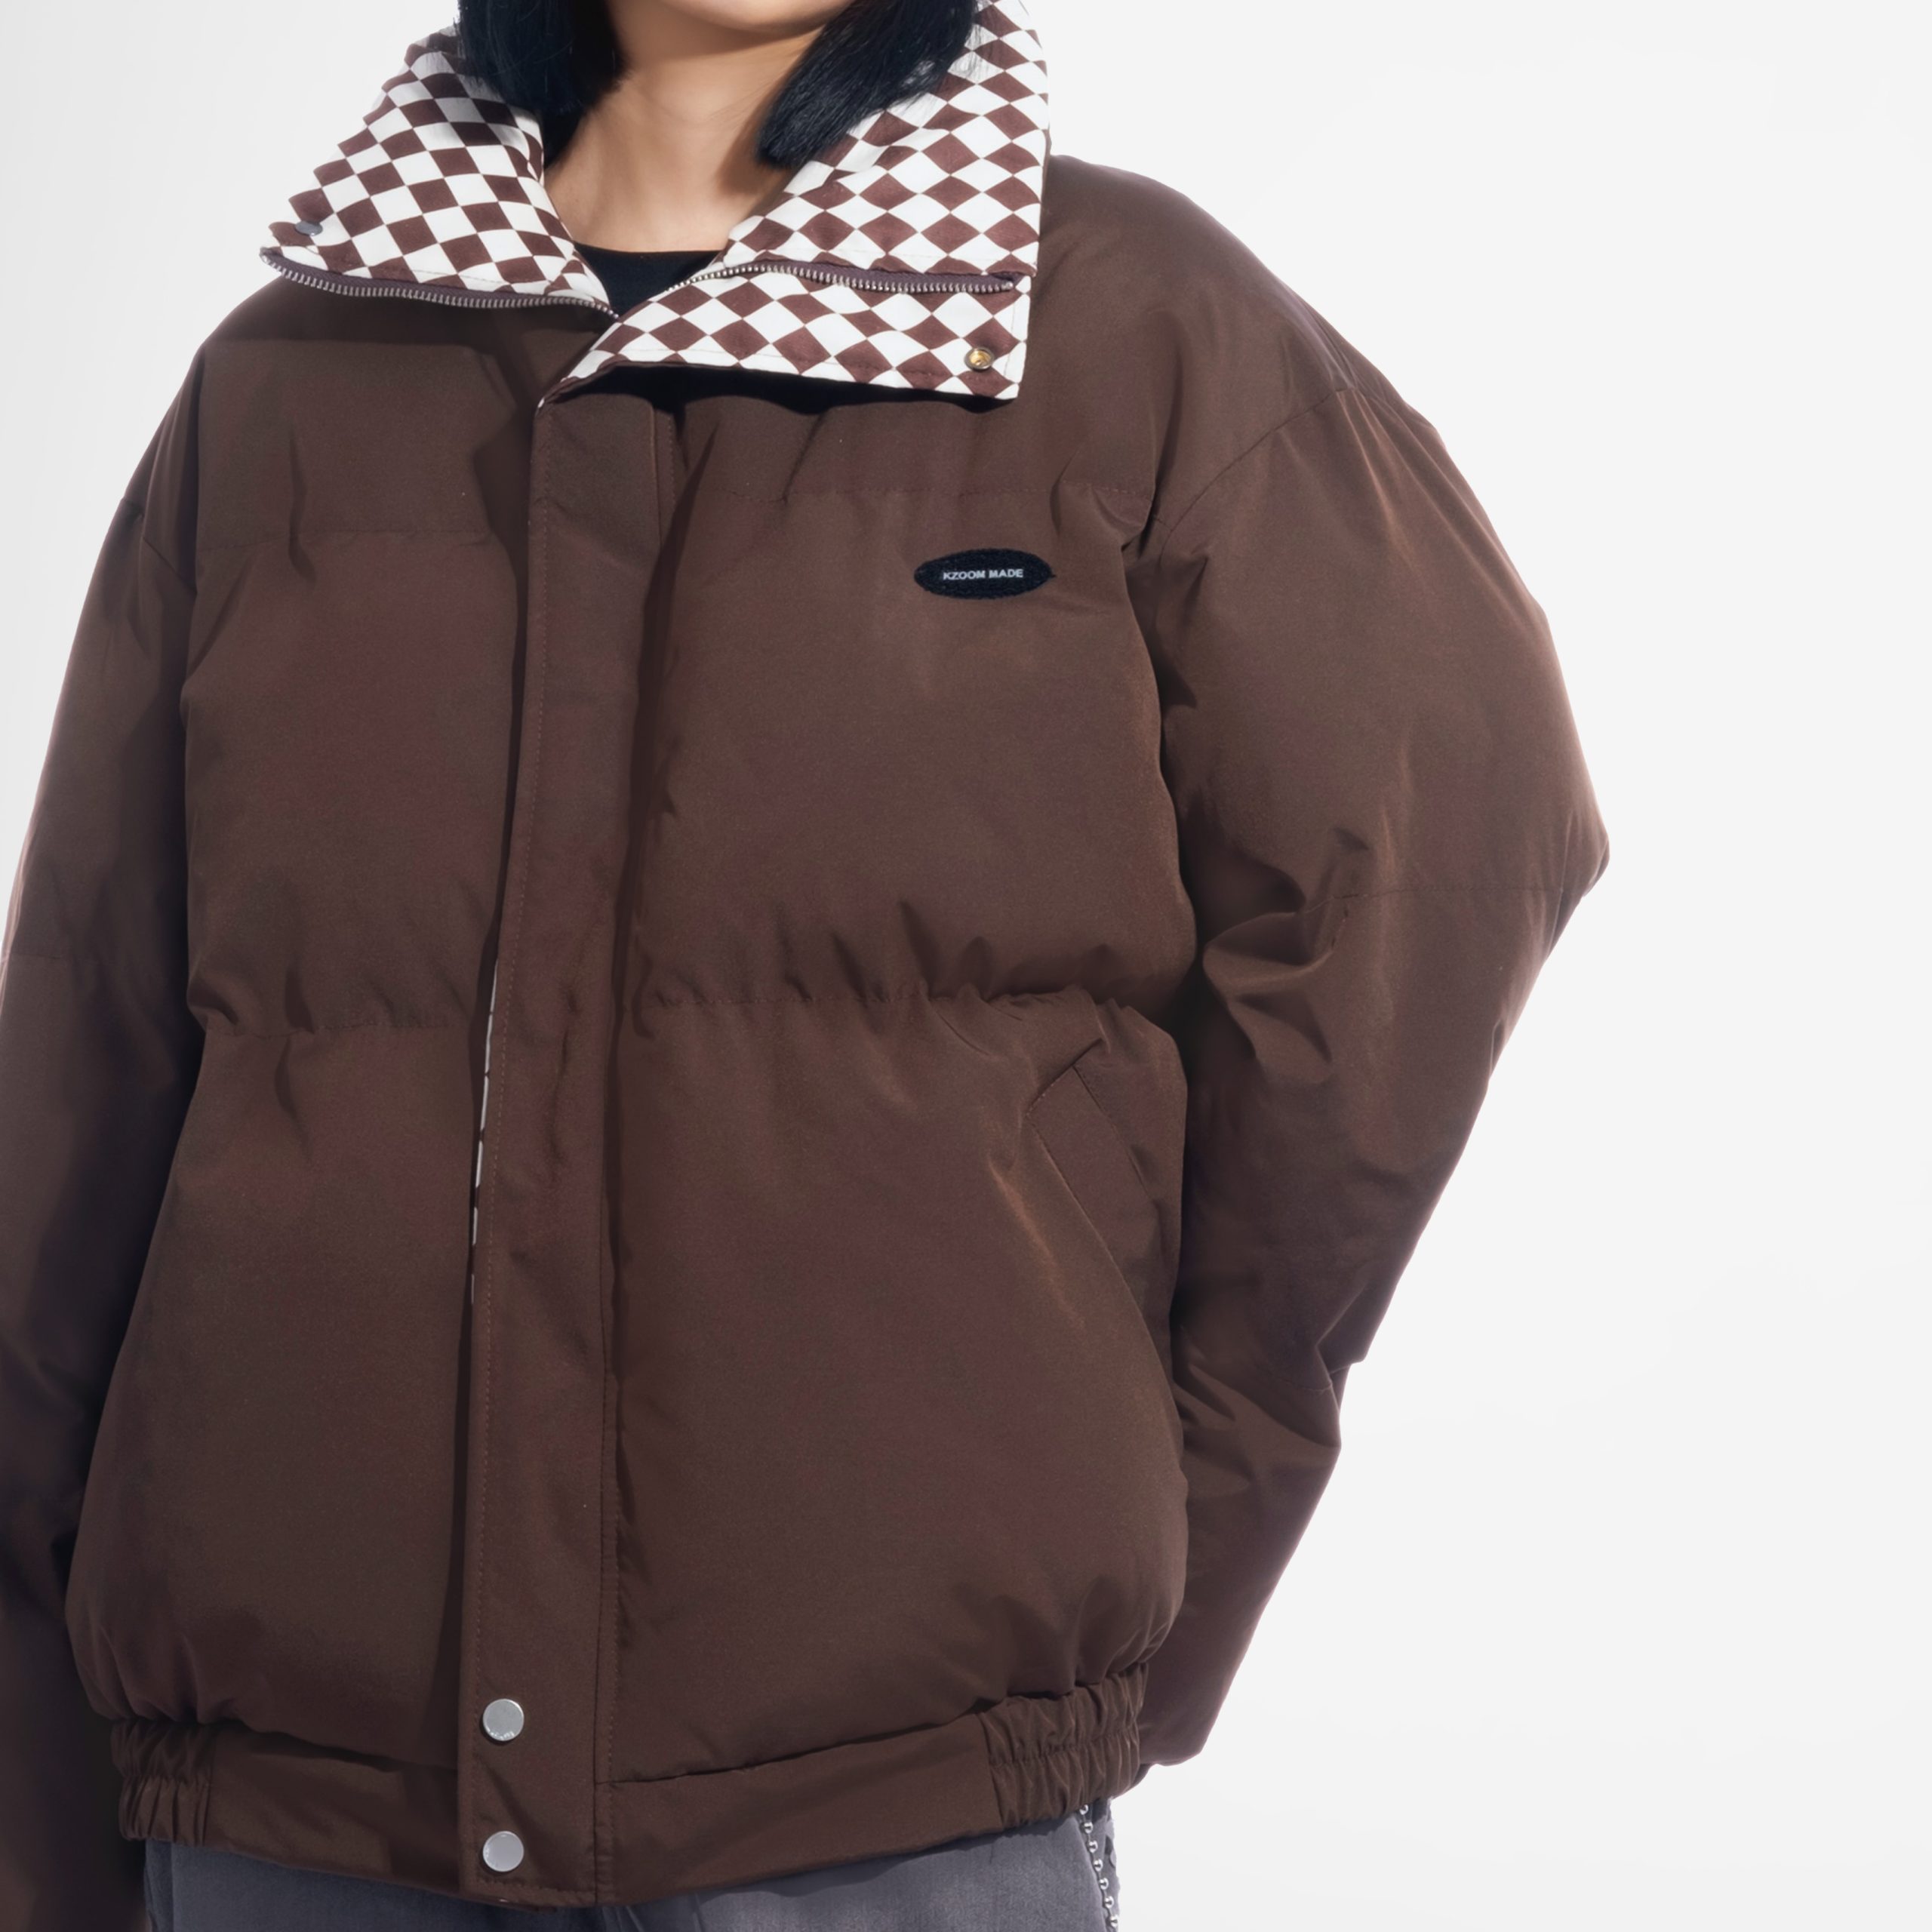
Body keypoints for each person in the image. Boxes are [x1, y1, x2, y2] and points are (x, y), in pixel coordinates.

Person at [0, 0, 1609, 1925]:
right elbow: (79, 1085)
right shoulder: (291, 377)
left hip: (882, 1794)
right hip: (293, 1797)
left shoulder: (1126, 325)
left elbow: (1431, 861)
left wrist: (1188, 1486)